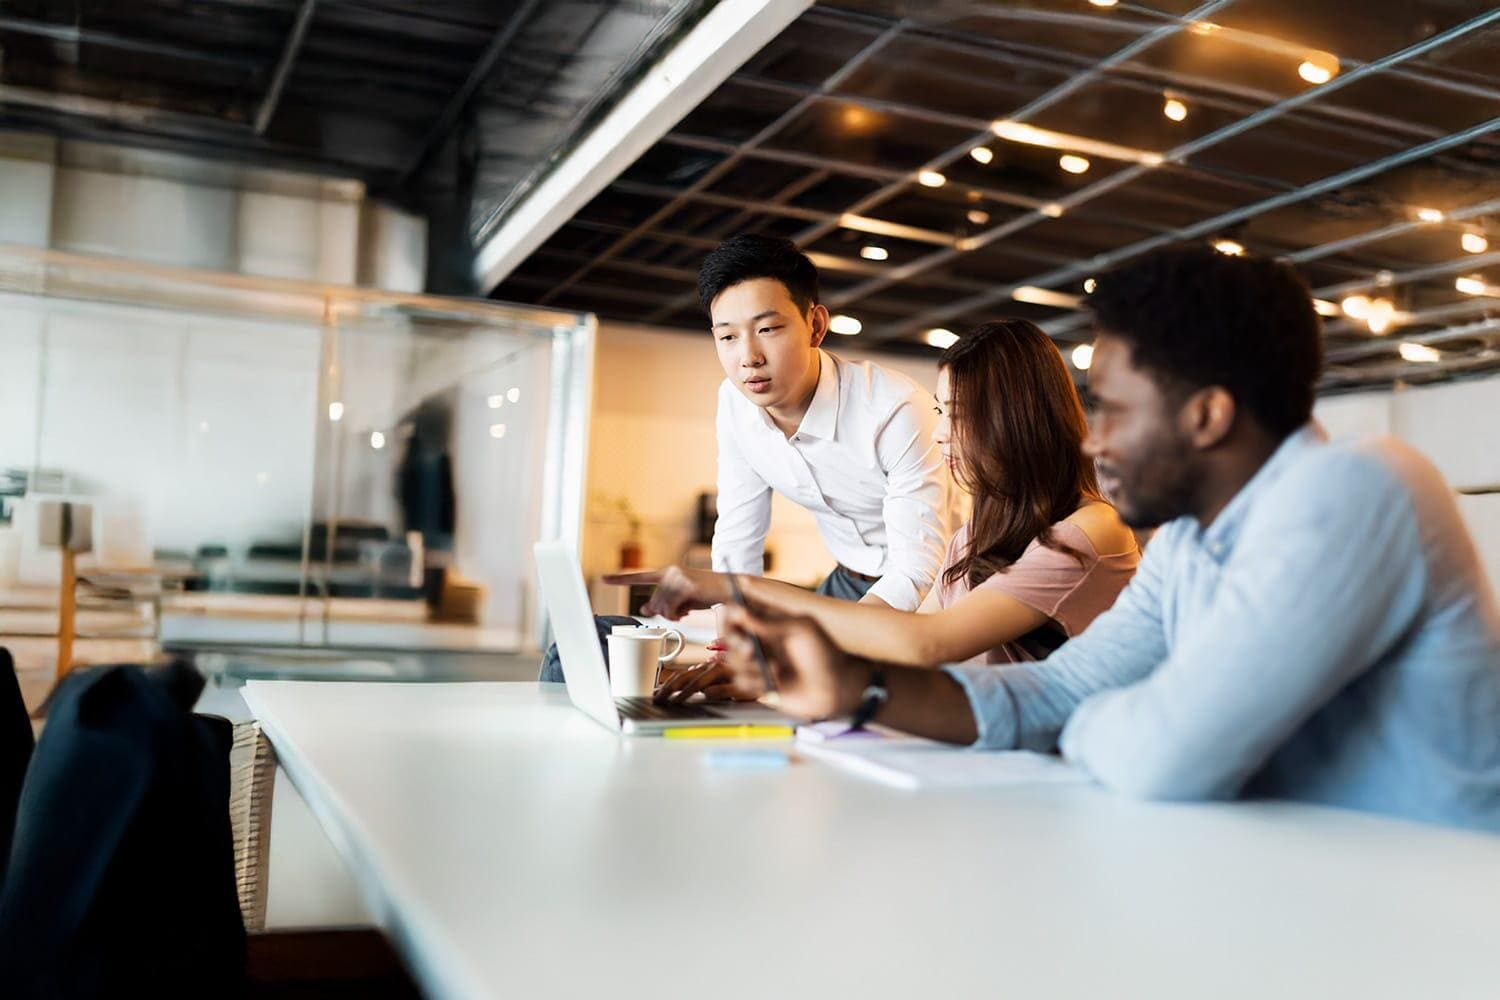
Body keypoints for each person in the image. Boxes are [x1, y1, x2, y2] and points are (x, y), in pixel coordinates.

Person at [716, 244, 1500, 832]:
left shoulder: (1358, 490)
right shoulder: (1193, 541)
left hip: (1425, 905)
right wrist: (860, 690)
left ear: (1207, 415)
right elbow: (1058, 690)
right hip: (1293, 887)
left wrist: (1100, 718)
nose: (1095, 442)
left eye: (1117, 411)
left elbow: (1166, 756)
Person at [607, 320, 1138, 703]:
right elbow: (894, 648)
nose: (939, 432)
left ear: (1016, 421)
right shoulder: (976, 536)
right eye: (940, 412)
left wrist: (735, 588)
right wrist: (774, 673)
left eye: (956, 415)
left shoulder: (1091, 531)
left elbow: (927, 643)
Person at [696, 234, 948, 611]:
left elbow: (917, 567)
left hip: (942, 584)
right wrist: (733, 633)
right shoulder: (735, 404)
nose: (748, 357)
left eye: (767, 329)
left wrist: (842, 636)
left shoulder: (895, 409)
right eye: (728, 336)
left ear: (815, 325)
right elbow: (737, 538)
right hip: (849, 578)